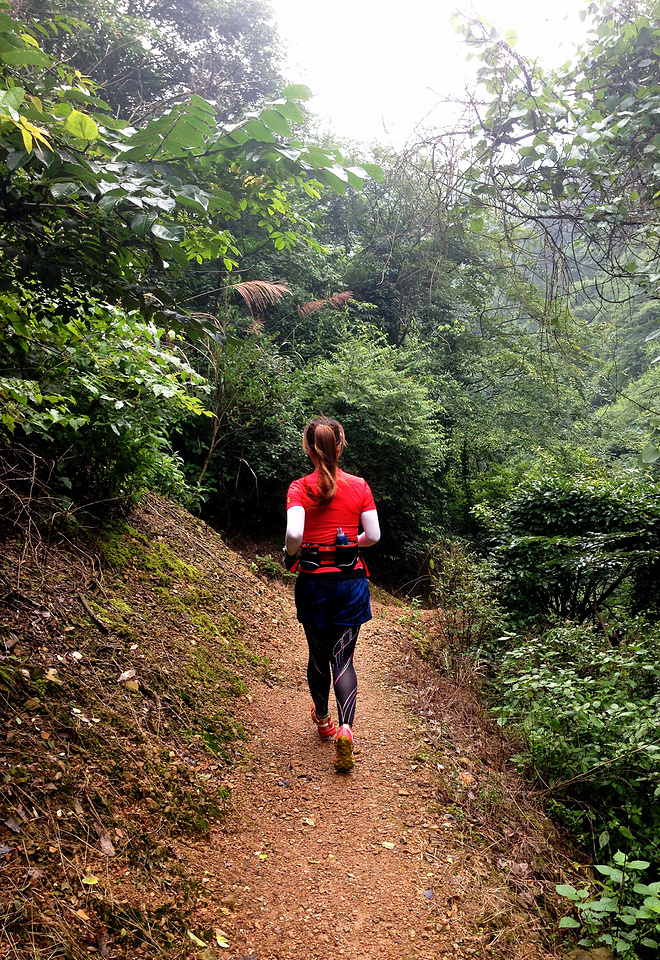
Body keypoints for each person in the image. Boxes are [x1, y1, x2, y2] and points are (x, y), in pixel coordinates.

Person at [284, 416, 380, 772]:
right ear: (340, 446)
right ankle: (346, 729)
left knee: (318, 655)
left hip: (313, 582)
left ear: (309, 449)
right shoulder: (360, 486)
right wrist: (350, 541)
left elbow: (294, 536)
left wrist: (294, 552)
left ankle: (323, 720)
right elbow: (373, 535)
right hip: (350, 581)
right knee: (344, 659)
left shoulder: (299, 488)